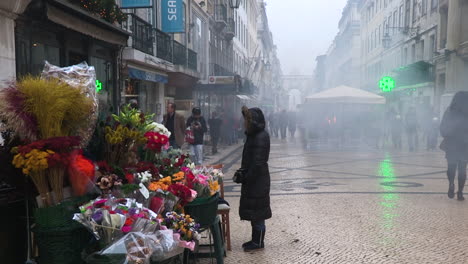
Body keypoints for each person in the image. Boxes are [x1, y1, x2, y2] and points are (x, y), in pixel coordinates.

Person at [237, 106, 272, 252]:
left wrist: (246, 176)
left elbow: (258, 163)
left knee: (258, 210)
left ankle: (258, 242)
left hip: (257, 180)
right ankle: (256, 240)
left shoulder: (260, 136)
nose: (244, 122)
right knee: (255, 210)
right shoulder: (254, 135)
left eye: (246, 120)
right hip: (254, 179)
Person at [440, 92, 468, 200]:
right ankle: (460, 192)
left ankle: (451, 183)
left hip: (452, 143)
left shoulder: (449, 110)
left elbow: (443, 126)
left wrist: (446, 134)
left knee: (451, 166)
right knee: (462, 169)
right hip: (465, 144)